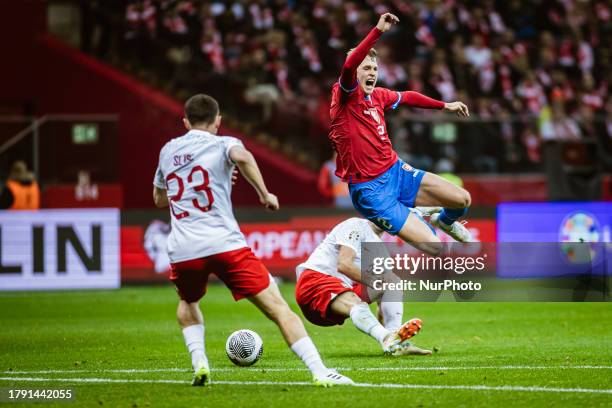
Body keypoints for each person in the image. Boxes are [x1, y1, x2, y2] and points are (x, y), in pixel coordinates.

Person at [152, 94, 353, 387]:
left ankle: (200, 364)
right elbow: (243, 157)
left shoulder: (168, 150)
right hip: (225, 243)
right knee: (278, 308)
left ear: (185, 122)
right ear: (218, 121)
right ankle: (320, 371)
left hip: (183, 248)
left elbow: (159, 198)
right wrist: (264, 193)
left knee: (187, 301)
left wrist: (202, 185)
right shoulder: (224, 143)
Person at [329, 13, 472, 254]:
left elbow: (408, 96)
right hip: (371, 190)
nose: (372, 72)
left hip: (396, 171)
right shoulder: (344, 95)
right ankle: (412, 212)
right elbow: (350, 63)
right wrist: (378, 31)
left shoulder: (378, 96)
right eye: (366, 67)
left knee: (462, 200)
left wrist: (444, 105)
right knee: (435, 247)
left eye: (375, 68)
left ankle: (442, 221)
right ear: (356, 72)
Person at [295, 217, 432, 355]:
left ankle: (395, 343)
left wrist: (395, 334)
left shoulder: (383, 254)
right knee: (359, 299)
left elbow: (382, 305)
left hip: (336, 303)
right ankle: (386, 338)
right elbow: (344, 264)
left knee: (392, 282)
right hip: (314, 283)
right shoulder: (355, 225)